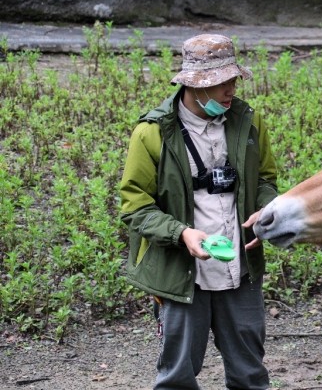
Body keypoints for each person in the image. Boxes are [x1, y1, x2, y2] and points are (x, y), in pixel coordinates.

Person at [119, 34, 278, 390]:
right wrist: (181, 233)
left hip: (240, 267)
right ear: (194, 84)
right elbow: (135, 205)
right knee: (177, 377)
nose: (230, 90)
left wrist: (265, 208)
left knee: (251, 375)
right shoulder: (152, 132)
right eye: (221, 83)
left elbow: (266, 178)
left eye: (233, 80)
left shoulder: (249, 122)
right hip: (180, 274)